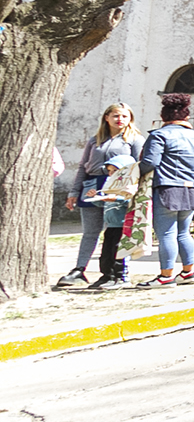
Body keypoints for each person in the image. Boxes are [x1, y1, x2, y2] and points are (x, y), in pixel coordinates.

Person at [135, 92, 194, 288]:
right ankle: (188, 272)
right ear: (187, 116)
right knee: (184, 233)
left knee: (167, 234)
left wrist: (132, 173)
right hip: (193, 190)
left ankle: (166, 276)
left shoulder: (159, 135)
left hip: (168, 189)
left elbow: (150, 162)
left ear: (163, 117)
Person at [60, 103, 143, 290]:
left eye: (124, 116)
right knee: (90, 232)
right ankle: (79, 269)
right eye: (115, 116)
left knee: (115, 231)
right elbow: (83, 167)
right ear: (107, 117)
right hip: (92, 187)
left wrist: (133, 191)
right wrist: (74, 192)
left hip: (117, 188)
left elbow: (139, 167)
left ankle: (117, 272)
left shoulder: (135, 139)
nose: (120, 120)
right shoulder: (95, 140)